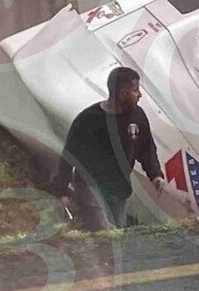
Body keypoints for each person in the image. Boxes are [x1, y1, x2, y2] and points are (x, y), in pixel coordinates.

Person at [53, 67, 166, 231]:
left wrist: (155, 174)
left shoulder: (138, 116)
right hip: (91, 185)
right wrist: (61, 190)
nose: (140, 94)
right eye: (135, 90)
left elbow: (146, 149)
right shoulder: (88, 120)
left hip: (119, 189)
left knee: (117, 234)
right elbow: (69, 155)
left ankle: (101, 255)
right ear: (122, 92)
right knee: (104, 231)